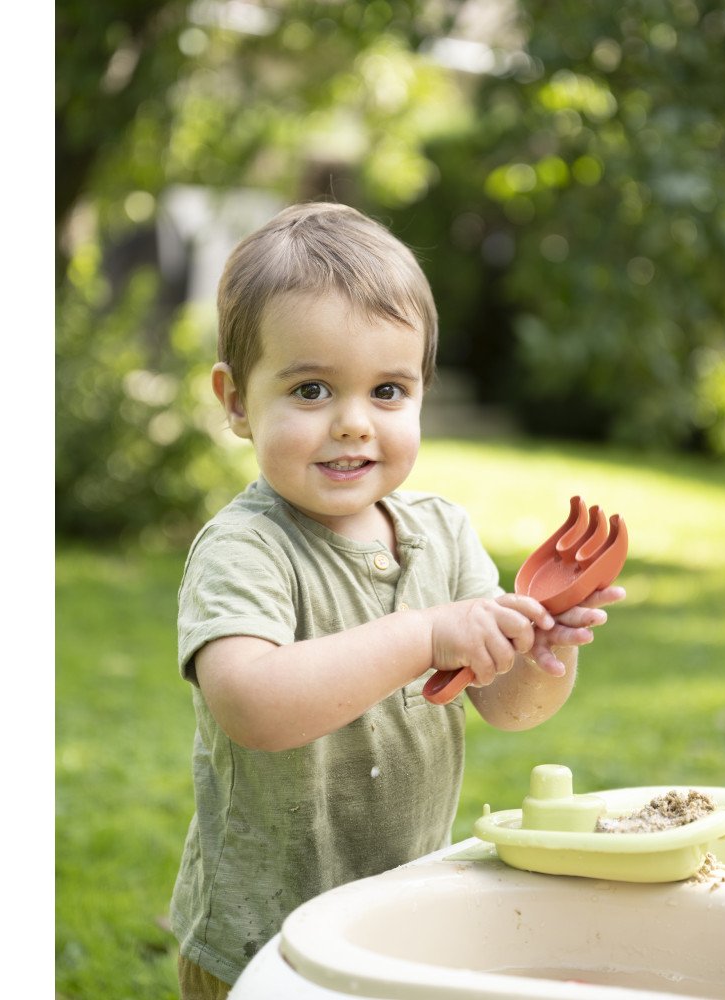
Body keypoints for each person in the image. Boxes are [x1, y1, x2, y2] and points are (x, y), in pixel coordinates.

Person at [170, 201, 625, 998]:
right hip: (264, 937)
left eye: (387, 390)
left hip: (403, 918)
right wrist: (422, 636)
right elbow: (254, 706)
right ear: (237, 400)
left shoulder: (442, 535)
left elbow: (509, 707)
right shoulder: (247, 549)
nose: (353, 424)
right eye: (311, 390)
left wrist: (541, 651)